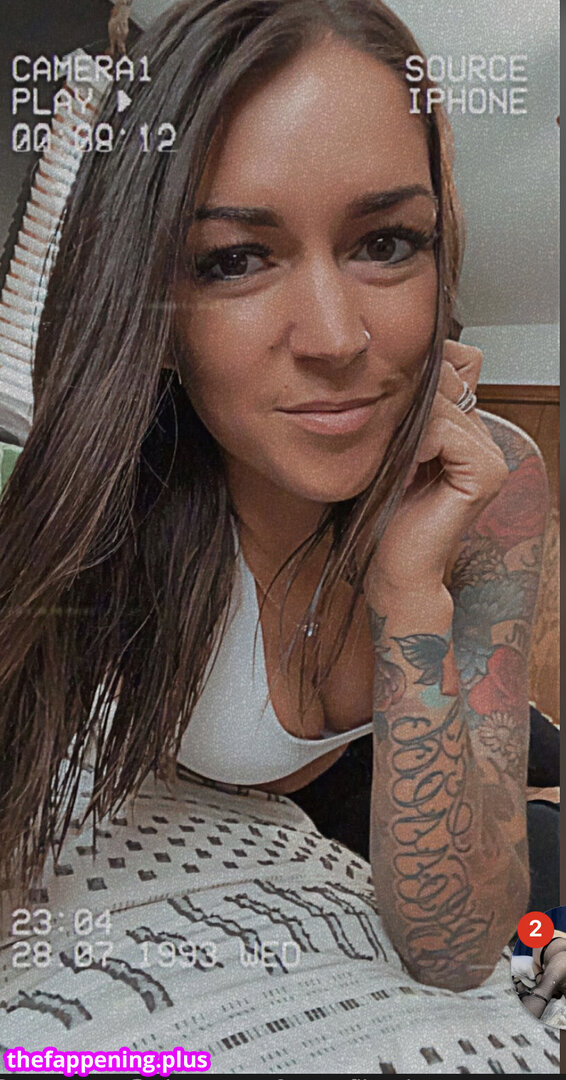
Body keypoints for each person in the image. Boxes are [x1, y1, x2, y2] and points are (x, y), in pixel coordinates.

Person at [0, 0, 551, 994]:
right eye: (235, 259)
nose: (336, 338)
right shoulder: (97, 501)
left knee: (536, 872)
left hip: (416, 749)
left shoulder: (490, 482)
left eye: (386, 242)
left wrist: (411, 593)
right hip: (273, 803)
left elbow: (452, 945)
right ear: (151, 305)